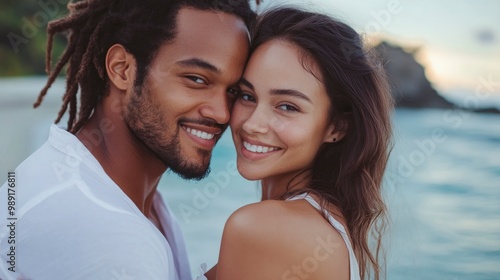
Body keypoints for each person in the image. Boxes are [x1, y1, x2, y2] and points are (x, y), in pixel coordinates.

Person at [0, 0, 255, 279]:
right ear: (122, 69)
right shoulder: (105, 233)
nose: (221, 113)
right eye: (196, 79)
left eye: (233, 91)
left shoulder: (113, 192)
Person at [205, 7, 393, 280]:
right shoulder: (327, 222)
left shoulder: (263, 228)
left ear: (336, 126)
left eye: (287, 107)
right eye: (247, 96)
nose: (252, 124)